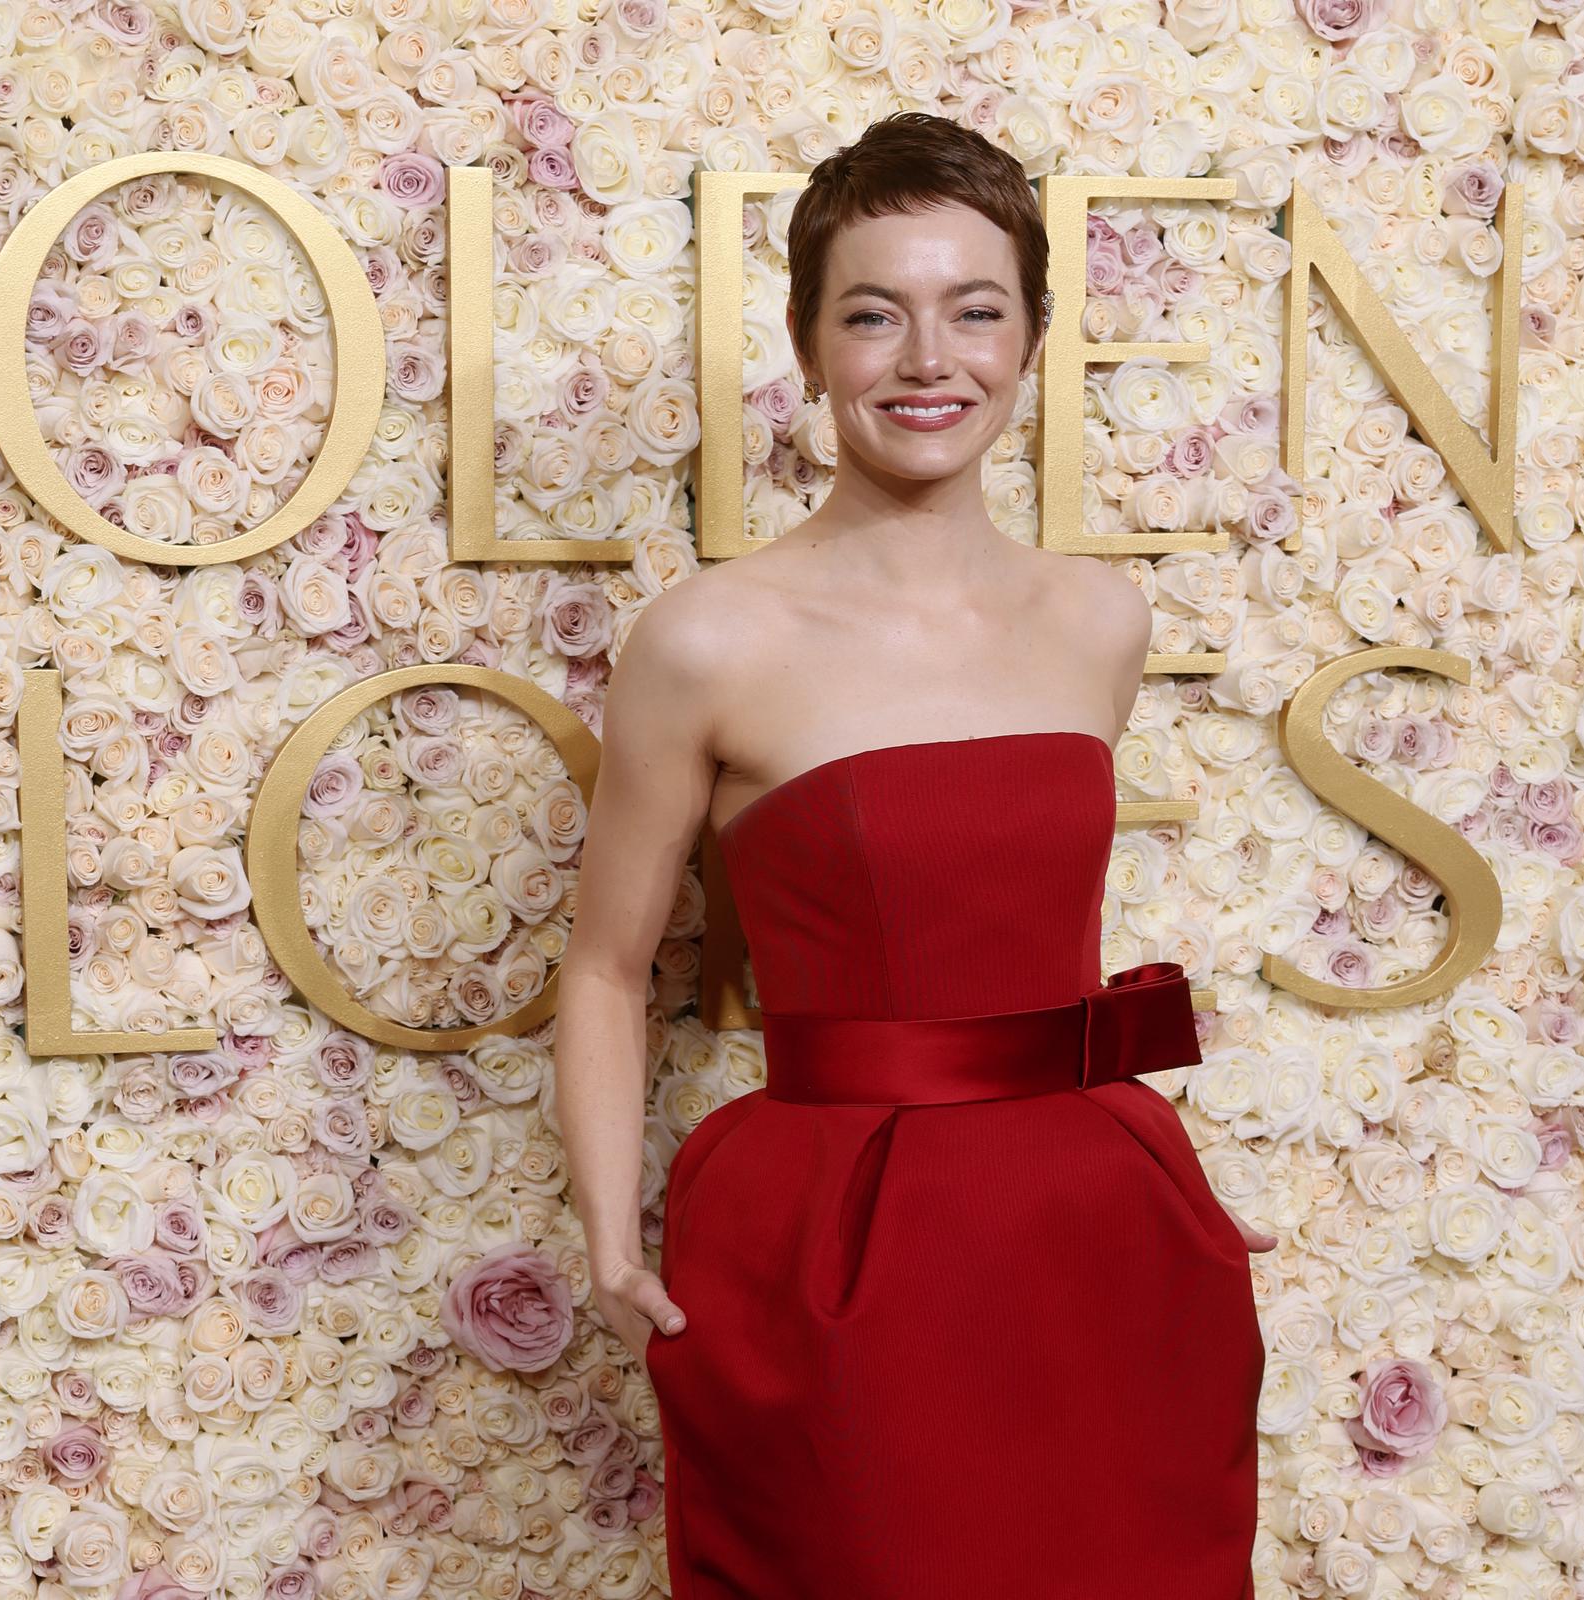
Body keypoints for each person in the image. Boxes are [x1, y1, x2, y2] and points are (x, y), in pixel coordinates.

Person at [555, 110, 1271, 1598]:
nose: (927, 359)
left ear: (1032, 340)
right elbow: (608, 968)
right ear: (811, 351)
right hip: (840, 1249)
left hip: (1101, 1231)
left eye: (975, 310)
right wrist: (613, 1245)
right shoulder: (707, 639)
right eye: (873, 314)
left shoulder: (1098, 620)